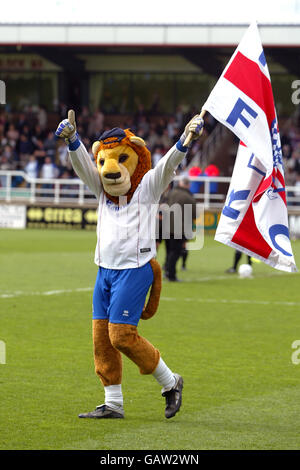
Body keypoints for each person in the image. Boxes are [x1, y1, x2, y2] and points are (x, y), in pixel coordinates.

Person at [55, 110, 204, 420]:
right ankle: (113, 403)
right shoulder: (101, 192)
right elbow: (85, 168)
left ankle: (170, 381)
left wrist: (185, 139)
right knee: (101, 340)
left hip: (135, 270)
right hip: (104, 271)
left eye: (122, 160)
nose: (113, 170)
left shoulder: (148, 187)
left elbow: (167, 166)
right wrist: (73, 140)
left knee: (121, 335)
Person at [164, 176, 197, 282]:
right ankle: (171, 275)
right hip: (179, 228)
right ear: (188, 185)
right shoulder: (188, 197)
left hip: (166, 226)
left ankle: (167, 271)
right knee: (176, 251)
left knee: (169, 251)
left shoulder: (169, 193)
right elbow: (194, 214)